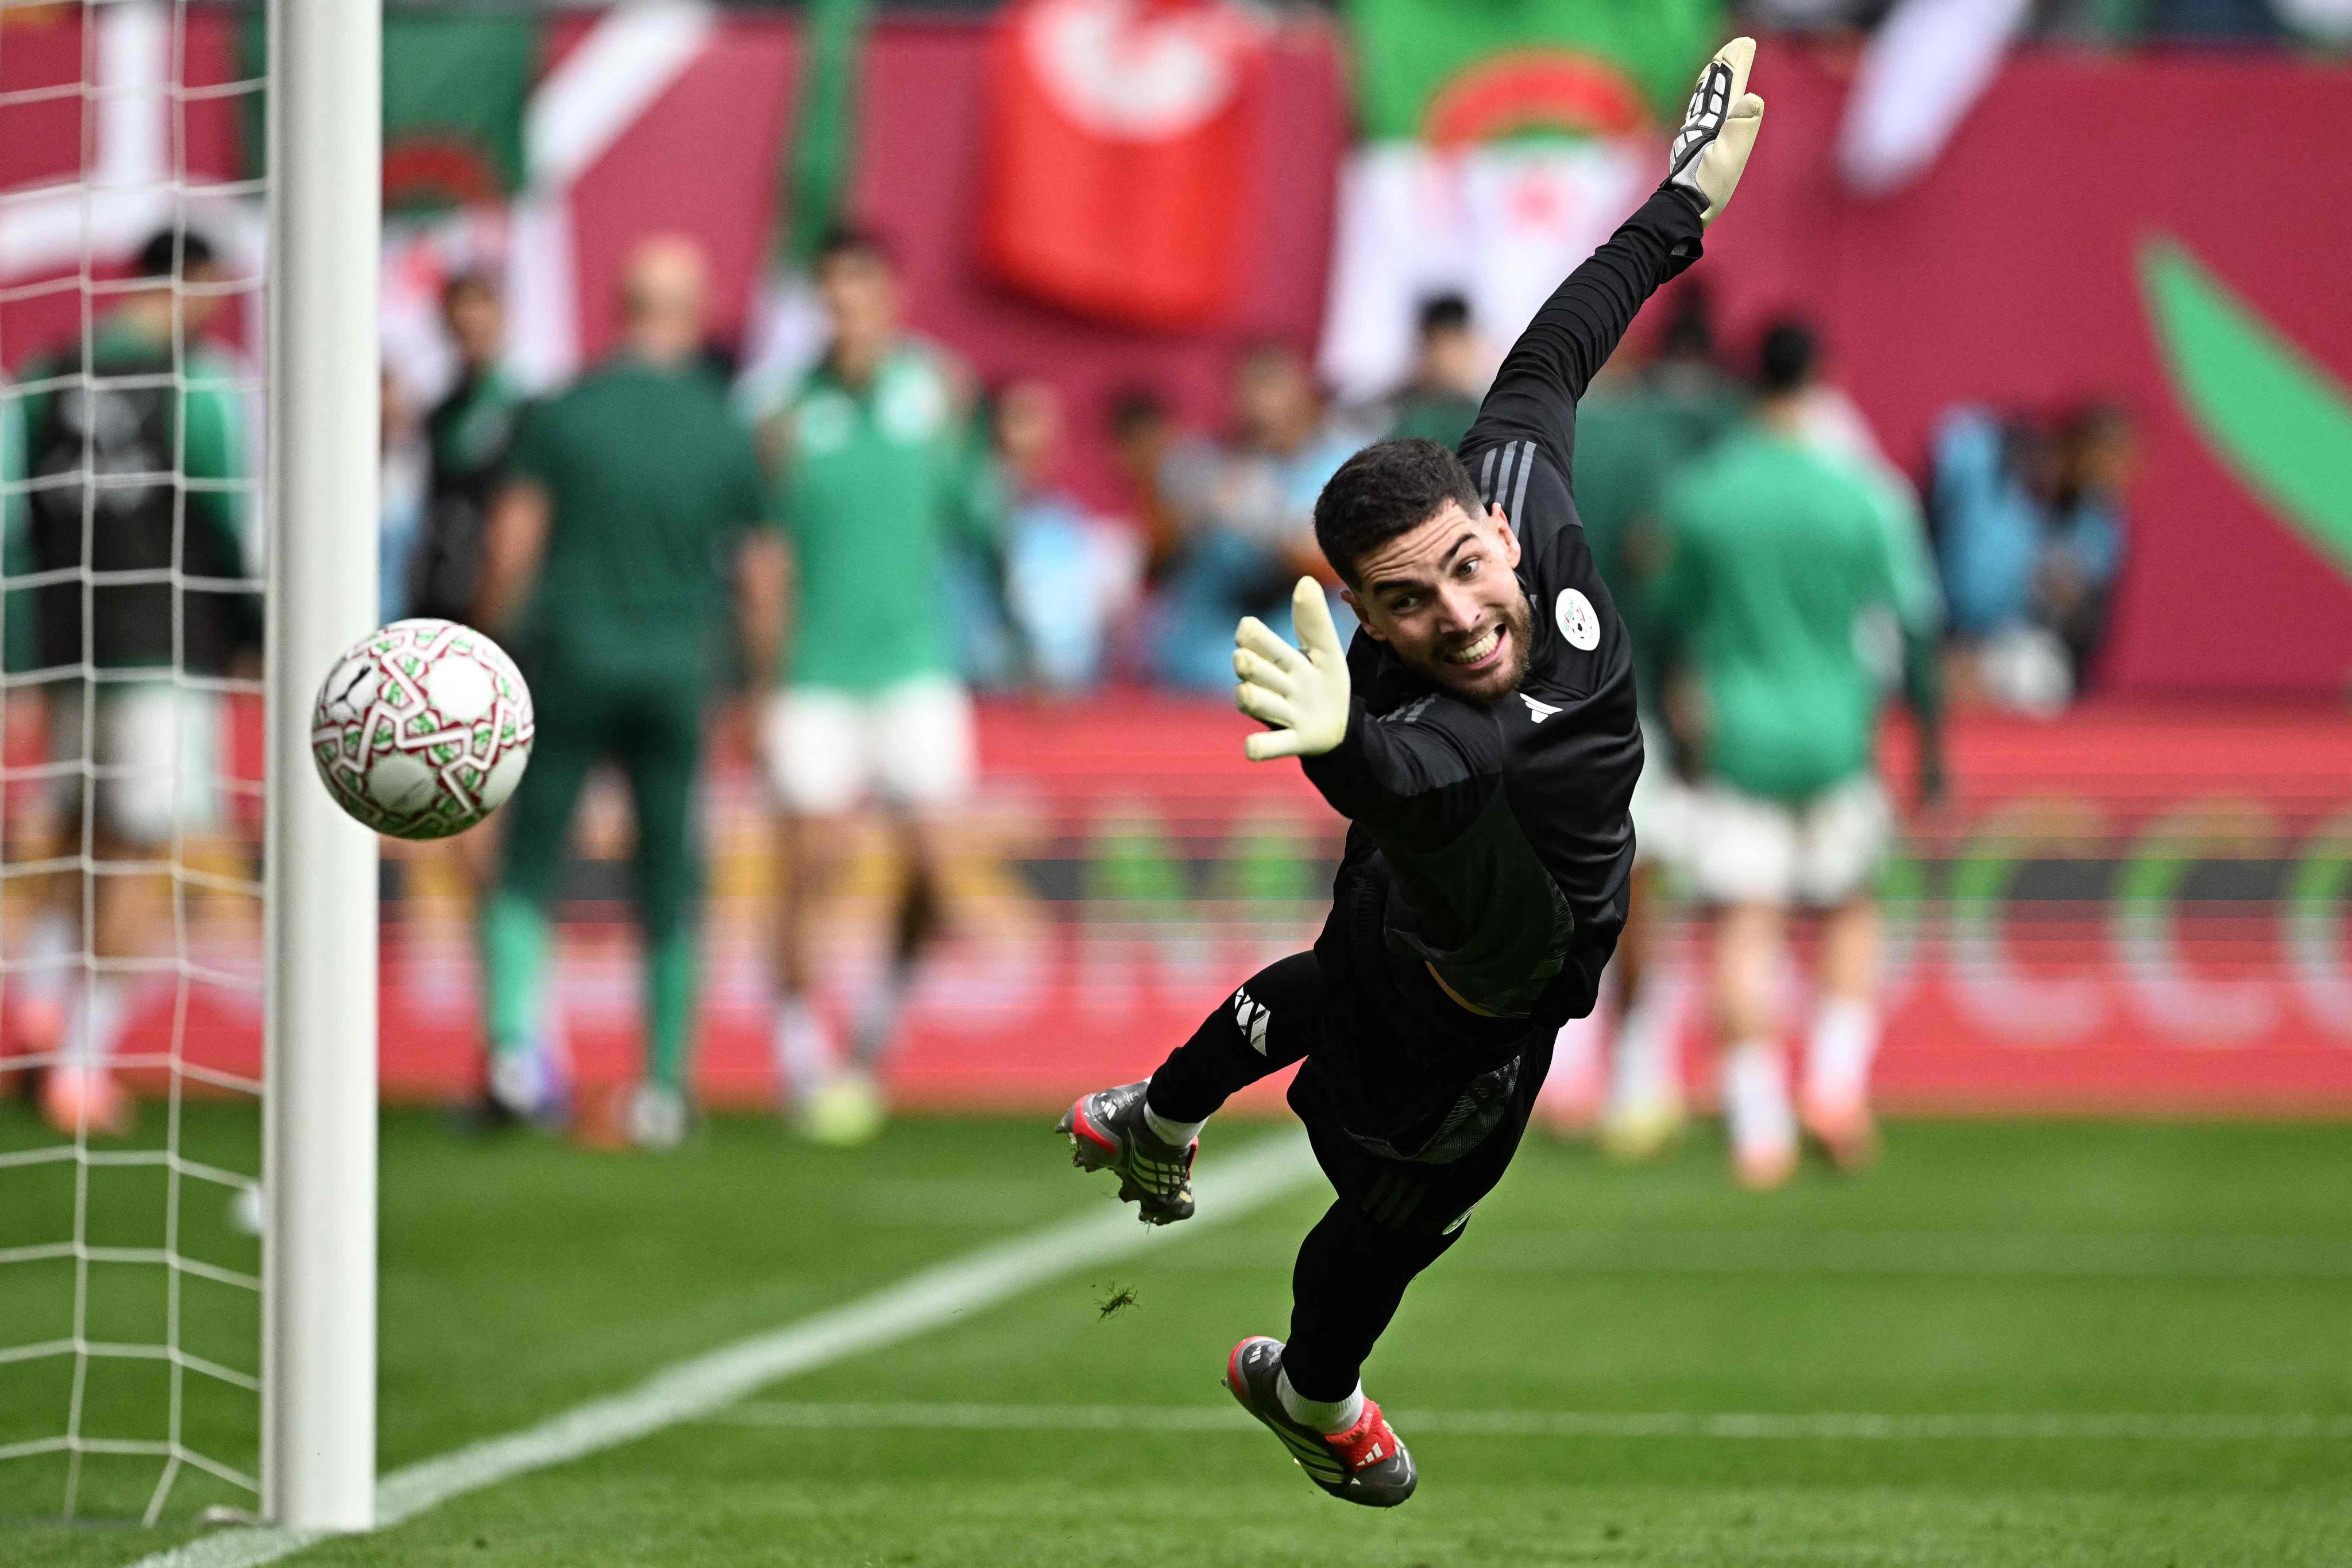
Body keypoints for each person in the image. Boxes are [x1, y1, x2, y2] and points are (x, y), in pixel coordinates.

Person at [1055, 40, 1764, 1505]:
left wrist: (1679, 203)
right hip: (1484, 942)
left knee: (1350, 979)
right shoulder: (1448, 685)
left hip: (1468, 878)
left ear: (1495, 529)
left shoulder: (1518, 515)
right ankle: (1314, 1394)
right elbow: (1431, 777)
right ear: (1363, 614)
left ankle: (1158, 1117)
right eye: (1406, 604)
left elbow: (1556, 346)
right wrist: (1347, 754)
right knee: (1403, 1203)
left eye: (1460, 572)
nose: (1456, 615)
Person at [473, 236, 786, 1150]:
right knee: (667, 877)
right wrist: (757, 688)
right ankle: (663, 1084)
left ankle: (509, 1053)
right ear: (692, 314)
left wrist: (484, 651)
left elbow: (512, 543)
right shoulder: (724, 424)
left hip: (567, 655)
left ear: (620, 305)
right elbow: (764, 576)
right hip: (675, 666)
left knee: (529, 858)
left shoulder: (567, 411)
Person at [1651, 315, 1944, 1190]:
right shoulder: (1859, 493)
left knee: (1744, 921)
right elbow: (1915, 626)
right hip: (1832, 736)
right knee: (1850, 908)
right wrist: (1928, 747)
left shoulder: (1705, 493)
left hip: (1735, 732)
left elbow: (1667, 619)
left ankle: (1755, 1122)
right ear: (1823, 377)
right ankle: (1832, 1081)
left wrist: (1675, 726)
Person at [4, 227, 256, 1136]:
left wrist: (17, 655)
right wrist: (259, 634)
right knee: (149, 854)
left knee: (84, 836)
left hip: (73, 653)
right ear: (188, 283)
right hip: (166, 655)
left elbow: (10, 523)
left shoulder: (44, 377)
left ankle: (36, 1006)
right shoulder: (202, 384)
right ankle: (80, 1059)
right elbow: (233, 517)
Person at [755, 226, 994, 1145]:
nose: (845, 311)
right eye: (830, 294)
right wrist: (761, 679)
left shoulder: (936, 391)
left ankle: (874, 1028)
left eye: (860, 292)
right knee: (806, 861)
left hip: (913, 664)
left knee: (937, 869)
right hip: (814, 670)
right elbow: (766, 558)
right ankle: (799, 1054)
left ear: (890, 300)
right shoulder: (782, 413)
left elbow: (973, 513)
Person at [1538, 286, 1742, 1154]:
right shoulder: (1662, 439)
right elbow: (1665, 574)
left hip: (1543, 703)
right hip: (1629, 701)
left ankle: (1570, 1073)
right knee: (1636, 893)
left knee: (1558, 896)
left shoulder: (1524, 438)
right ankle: (1632, 1072)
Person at [1150, 342, 1366, 690]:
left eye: (1272, 387)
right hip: (1199, 660)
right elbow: (1156, 560)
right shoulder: (1202, 466)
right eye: (1249, 389)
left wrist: (1260, 520)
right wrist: (1186, 515)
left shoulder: (1342, 466)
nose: (1260, 405)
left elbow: (1330, 563)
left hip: (1301, 657)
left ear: (1305, 397)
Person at [409, 270, 525, 626]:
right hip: (442, 588)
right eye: (461, 328)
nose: (470, 337)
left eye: (480, 326)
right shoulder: (439, 412)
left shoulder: (525, 407)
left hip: (500, 595)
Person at [1384, 294, 1486, 451]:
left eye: (1455, 343)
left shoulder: (1483, 416)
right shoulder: (1392, 412)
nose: (1448, 357)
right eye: (1440, 344)